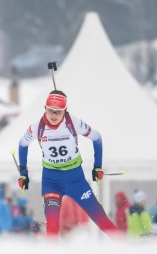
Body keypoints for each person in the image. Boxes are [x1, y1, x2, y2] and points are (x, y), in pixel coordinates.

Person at [17, 90, 121, 238]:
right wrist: (23, 174)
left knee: (101, 219)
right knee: (52, 227)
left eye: (58, 112)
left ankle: (127, 249)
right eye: (50, 111)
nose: (53, 115)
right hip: (51, 181)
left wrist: (97, 166)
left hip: (75, 179)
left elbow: (97, 138)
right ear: (44, 109)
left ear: (65, 111)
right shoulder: (36, 127)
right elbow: (22, 144)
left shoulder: (74, 123)